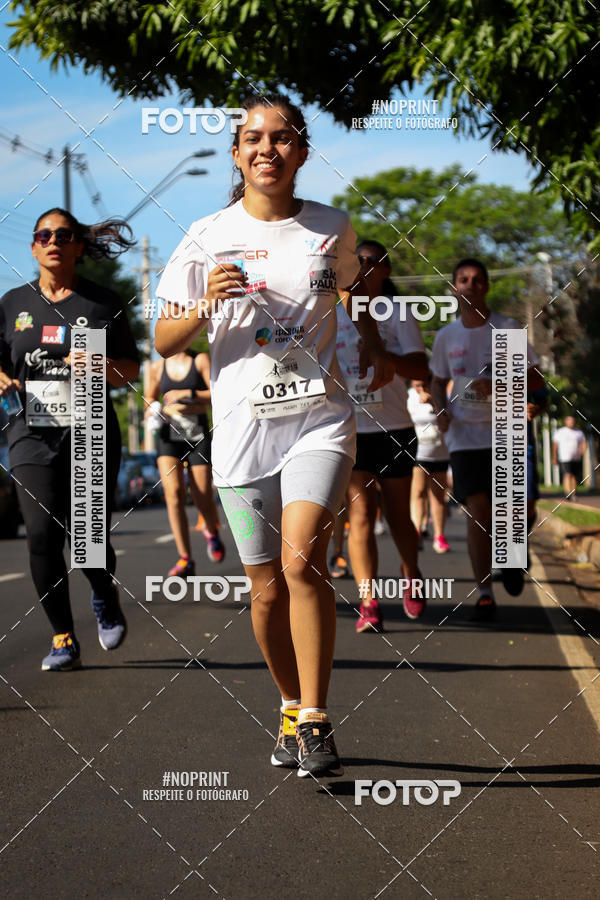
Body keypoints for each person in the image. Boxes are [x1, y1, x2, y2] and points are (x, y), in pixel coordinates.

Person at [154, 93, 394, 778]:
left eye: (282, 137)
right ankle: (289, 703)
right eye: (253, 138)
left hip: (319, 419)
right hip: (239, 435)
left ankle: (316, 718)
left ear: (302, 151)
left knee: (302, 566)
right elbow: (164, 336)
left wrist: (370, 339)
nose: (267, 148)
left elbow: (349, 292)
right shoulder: (205, 235)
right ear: (237, 153)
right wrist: (206, 305)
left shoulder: (332, 227)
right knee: (263, 590)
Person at [0, 208, 140, 669]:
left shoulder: (102, 303)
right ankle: (63, 638)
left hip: (91, 429)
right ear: (35, 246)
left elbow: (131, 371)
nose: (53, 240)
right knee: (41, 535)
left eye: (64, 234)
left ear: (79, 246)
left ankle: (103, 592)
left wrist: (101, 366)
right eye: (45, 234)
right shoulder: (12, 304)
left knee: (86, 540)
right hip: (29, 431)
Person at [430, 258, 543, 621]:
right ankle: (483, 591)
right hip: (465, 438)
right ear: (454, 289)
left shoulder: (507, 329)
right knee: (478, 514)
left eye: (478, 280)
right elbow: (435, 381)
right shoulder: (447, 336)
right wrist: (440, 410)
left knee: (519, 509)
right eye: (463, 280)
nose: (471, 286)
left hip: (508, 430)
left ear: (487, 287)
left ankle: (512, 554)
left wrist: (500, 385)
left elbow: (537, 381)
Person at [336, 240, 429, 632]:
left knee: (396, 516)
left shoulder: (397, 313)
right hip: (349, 429)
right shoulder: (330, 313)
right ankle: (368, 600)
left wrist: (383, 357)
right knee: (359, 515)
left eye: (372, 262)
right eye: (357, 262)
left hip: (393, 428)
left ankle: (411, 573)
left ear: (386, 271)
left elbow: (420, 369)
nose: (363, 267)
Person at [145, 350, 225, 572]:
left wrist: (188, 393)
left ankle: (212, 530)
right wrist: (152, 409)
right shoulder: (156, 367)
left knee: (202, 496)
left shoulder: (199, 360)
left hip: (196, 434)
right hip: (169, 434)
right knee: (174, 494)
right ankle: (185, 558)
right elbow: (149, 397)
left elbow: (217, 393)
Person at [407, 378, 451, 553]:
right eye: (418, 385)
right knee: (418, 491)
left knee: (438, 495)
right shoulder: (408, 397)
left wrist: (434, 402)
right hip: (418, 451)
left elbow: (448, 419)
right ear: (412, 385)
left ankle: (439, 536)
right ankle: (417, 531)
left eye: (425, 385)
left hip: (440, 451)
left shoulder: (441, 396)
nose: (422, 389)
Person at [552, 416, 586, 501]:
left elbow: (583, 443)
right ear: (565, 422)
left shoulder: (579, 432)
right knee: (567, 474)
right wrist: (554, 456)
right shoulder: (560, 432)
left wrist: (581, 452)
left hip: (575, 458)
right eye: (569, 421)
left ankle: (574, 494)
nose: (571, 423)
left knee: (574, 476)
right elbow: (555, 445)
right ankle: (568, 493)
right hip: (564, 457)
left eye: (572, 421)